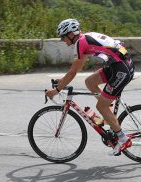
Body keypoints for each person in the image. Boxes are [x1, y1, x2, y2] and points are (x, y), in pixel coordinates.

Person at [45, 19, 135, 156]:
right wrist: (63, 81)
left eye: (63, 37)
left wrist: (56, 91)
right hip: (118, 65)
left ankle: (123, 139)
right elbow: (75, 69)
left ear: (70, 34)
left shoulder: (81, 43)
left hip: (121, 70)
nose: (63, 40)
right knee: (90, 82)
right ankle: (108, 113)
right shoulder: (84, 38)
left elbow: (73, 71)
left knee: (101, 106)